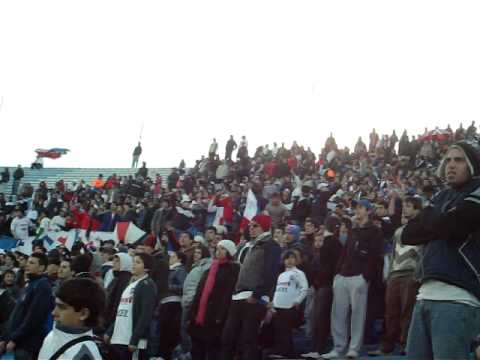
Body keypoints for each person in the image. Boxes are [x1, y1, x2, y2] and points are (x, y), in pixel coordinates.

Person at [401, 140, 480, 359]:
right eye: (447, 160)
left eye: (459, 160)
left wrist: (432, 220)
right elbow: (409, 234)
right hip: (424, 294)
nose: (450, 165)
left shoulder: (477, 190)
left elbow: (455, 226)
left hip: (458, 298)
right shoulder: (441, 196)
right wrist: (441, 222)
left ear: (473, 164)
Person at [322, 199, 383, 359]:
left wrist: (366, 277)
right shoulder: (353, 230)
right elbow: (344, 253)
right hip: (343, 275)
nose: (357, 209)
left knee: (358, 314)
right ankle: (338, 347)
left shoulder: (375, 231)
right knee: (338, 313)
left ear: (369, 211)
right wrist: (337, 273)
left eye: (361, 207)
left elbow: (375, 256)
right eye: (357, 207)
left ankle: (354, 348)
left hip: (359, 276)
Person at [221, 214, 281, 360]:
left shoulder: (271, 245)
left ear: (265, 227)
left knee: (249, 340)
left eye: (255, 225)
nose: (251, 228)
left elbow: (270, 273)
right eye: (250, 225)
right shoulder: (252, 245)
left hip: (253, 298)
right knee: (228, 338)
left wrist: (256, 294)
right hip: (239, 296)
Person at [368, 196, 422, 356]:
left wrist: (418, 274)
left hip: (410, 274)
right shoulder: (398, 231)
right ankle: (387, 345)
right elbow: (392, 254)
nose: (404, 209)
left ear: (417, 209)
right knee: (390, 312)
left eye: (409, 206)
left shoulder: (421, 229)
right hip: (395, 274)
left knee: (407, 311)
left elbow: (423, 253)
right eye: (404, 206)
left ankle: (407, 344)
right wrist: (390, 273)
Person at [188, 240, 240, 360]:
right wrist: (193, 312)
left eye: (222, 248)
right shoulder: (210, 269)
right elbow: (199, 292)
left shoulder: (232, 270)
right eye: (218, 248)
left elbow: (227, 296)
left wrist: (220, 316)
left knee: (213, 349)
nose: (219, 251)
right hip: (200, 315)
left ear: (229, 252)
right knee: (197, 348)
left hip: (215, 317)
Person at [0, 253, 55, 359]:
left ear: (41, 268)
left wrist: (14, 339)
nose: (27, 265)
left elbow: (34, 317)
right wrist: (5, 338)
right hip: (16, 341)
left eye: (32, 263)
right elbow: (16, 315)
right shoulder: (30, 284)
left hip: (26, 345)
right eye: (28, 262)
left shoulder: (42, 285)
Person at [38, 278, 106, 359]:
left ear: (83, 314)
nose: (53, 312)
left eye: (61, 307)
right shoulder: (52, 335)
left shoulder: (84, 355)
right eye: (55, 305)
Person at [107, 253, 157, 360]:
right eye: (133, 261)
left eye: (138, 262)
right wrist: (110, 331)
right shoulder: (130, 284)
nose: (133, 265)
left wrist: (135, 339)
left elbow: (145, 315)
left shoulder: (147, 285)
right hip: (119, 337)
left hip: (131, 341)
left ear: (147, 268)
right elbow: (122, 311)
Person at [270, 250, 308, 358]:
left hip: (289, 306)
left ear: (296, 260)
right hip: (278, 305)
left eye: (292, 258)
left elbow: (304, 288)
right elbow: (278, 290)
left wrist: (298, 301)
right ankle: (280, 352)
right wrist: (273, 303)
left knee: (286, 330)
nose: (289, 260)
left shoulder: (299, 273)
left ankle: (286, 353)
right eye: (287, 258)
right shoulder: (281, 275)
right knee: (278, 330)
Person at [157, 250, 188, 360]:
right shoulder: (169, 270)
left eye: (174, 256)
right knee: (163, 331)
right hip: (165, 303)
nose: (171, 258)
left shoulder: (180, 270)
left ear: (179, 259)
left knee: (169, 332)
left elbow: (183, 286)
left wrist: (167, 286)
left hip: (173, 304)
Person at [104, 253, 132, 330]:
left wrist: (108, 324)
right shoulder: (118, 277)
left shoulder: (124, 279)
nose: (114, 263)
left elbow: (117, 302)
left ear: (125, 263)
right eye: (114, 260)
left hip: (112, 321)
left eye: (117, 261)